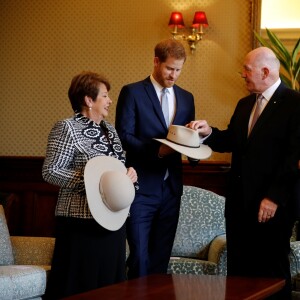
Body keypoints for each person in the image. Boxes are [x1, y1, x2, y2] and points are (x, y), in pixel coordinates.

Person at [187, 47, 300, 299]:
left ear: (265, 71)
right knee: (239, 273)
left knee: (271, 274)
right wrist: (209, 133)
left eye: (247, 70)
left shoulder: (294, 103)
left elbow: (294, 159)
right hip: (239, 205)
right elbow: (233, 141)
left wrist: (273, 198)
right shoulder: (244, 103)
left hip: (273, 206)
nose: (242, 74)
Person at [42, 71, 138, 299]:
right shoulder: (66, 128)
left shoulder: (111, 130)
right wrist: (94, 183)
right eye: (105, 95)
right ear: (88, 100)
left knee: (110, 289)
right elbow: (50, 171)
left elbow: (114, 172)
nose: (110, 101)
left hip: (113, 222)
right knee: (79, 288)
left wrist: (129, 175)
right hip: (80, 224)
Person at [115, 39, 195, 279]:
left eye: (178, 69)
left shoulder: (187, 97)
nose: (174, 75)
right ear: (156, 61)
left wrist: (197, 138)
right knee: (140, 257)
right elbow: (124, 135)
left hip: (172, 189)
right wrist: (157, 152)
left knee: (161, 257)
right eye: (169, 68)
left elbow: (187, 137)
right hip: (141, 187)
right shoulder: (132, 92)